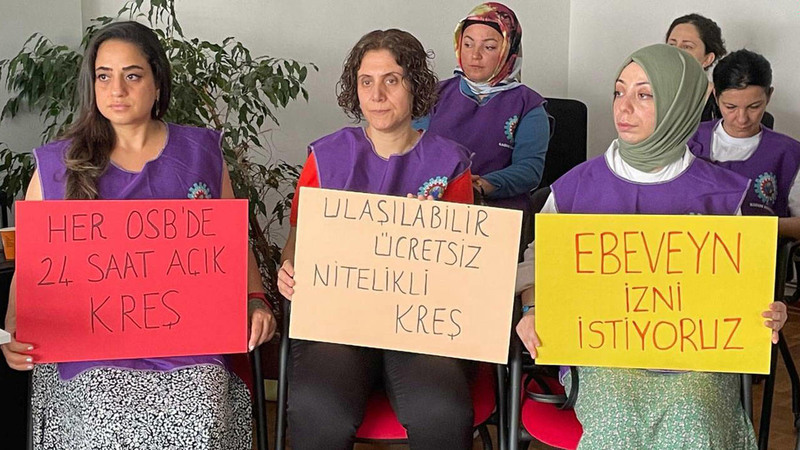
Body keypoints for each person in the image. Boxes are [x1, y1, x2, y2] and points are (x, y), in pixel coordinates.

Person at [0, 21, 276, 449]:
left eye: (132, 75)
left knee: (200, 414)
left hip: (189, 342)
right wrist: (14, 326)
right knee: (103, 421)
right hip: (90, 347)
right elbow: (35, 264)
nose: (117, 89)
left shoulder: (201, 153)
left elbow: (232, 242)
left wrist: (256, 301)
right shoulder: (57, 165)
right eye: (103, 76)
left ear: (157, 82)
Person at [515, 44, 788, 448]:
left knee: (694, 422)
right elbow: (538, 265)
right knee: (617, 423)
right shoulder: (576, 187)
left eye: (644, 95)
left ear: (680, 104)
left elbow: (742, 286)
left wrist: (766, 312)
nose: (623, 107)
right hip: (602, 354)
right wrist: (533, 309)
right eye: (618, 91)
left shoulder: (723, 194)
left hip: (696, 360)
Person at [277, 29, 475, 450]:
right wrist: (289, 270)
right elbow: (297, 241)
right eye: (366, 81)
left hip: (422, 325)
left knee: (442, 411)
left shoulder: (450, 163)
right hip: (338, 322)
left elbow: (464, 266)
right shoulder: (326, 158)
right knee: (318, 409)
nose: (377, 94)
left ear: (415, 85)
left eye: (392, 80)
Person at [416, 2, 550, 210]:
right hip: (433, 205)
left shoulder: (528, 105)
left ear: (509, 50)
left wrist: (477, 187)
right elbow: (411, 151)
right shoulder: (433, 94)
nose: (475, 55)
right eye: (468, 44)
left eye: (489, 47)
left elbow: (529, 170)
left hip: (498, 211)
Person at [689, 49, 800, 240]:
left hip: (761, 254)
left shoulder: (790, 154)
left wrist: (754, 227)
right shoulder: (689, 142)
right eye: (730, 107)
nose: (742, 119)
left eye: (754, 107)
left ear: (769, 95)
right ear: (715, 96)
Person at [665, 13, 727, 121]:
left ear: (708, 59)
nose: (676, 52)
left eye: (687, 47)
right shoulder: (650, 92)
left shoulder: (723, 101)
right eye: (672, 45)